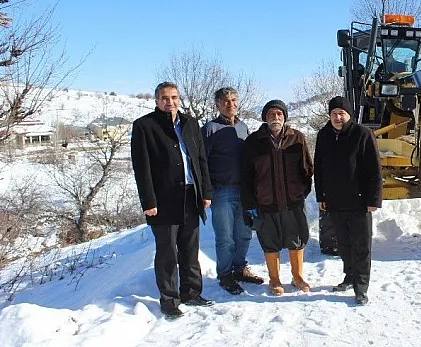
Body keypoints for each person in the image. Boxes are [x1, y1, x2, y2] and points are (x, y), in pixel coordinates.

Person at [130, 82, 214, 319]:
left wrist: (206, 192)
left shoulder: (190, 123)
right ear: (156, 100)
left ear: (179, 99)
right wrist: (148, 201)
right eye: (165, 98)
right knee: (167, 253)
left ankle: (191, 292)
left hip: (191, 195)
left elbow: (200, 160)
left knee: (190, 249)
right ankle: (169, 300)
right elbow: (141, 168)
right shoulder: (145, 126)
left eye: (174, 97)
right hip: (163, 200)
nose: (170, 102)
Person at [314, 96, 382, 306]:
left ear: (349, 115)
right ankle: (350, 276)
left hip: (359, 201)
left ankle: (361, 288)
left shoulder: (362, 134)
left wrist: (374, 199)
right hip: (334, 202)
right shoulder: (324, 135)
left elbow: (374, 169)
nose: (337, 117)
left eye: (341, 113)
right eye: (334, 114)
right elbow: (319, 168)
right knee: (343, 245)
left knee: (361, 246)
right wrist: (321, 195)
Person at [241, 99, 313, 296]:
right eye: (271, 114)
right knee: (270, 241)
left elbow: (307, 169)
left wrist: (301, 192)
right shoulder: (254, 142)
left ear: (284, 117)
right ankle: (274, 280)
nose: (275, 117)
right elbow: (246, 176)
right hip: (266, 202)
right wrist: (250, 203)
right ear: (265, 118)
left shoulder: (297, 138)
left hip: (292, 202)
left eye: (279, 114)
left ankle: (297, 277)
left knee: (296, 240)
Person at [201, 87, 264, 295]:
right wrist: (206, 191)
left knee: (244, 233)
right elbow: (202, 163)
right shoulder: (210, 129)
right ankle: (225, 274)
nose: (231, 104)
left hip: (243, 191)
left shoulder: (243, 127)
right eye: (226, 101)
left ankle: (240, 268)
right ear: (218, 105)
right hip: (221, 191)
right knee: (225, 237)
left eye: (234, 100)